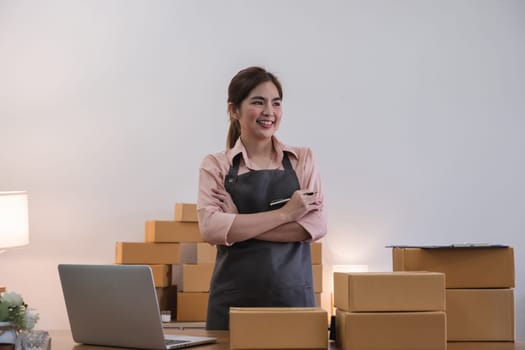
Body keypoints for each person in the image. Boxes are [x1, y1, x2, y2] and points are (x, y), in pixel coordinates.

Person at [197, 66, 327, 330]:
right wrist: (286, 214)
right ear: (234, 110)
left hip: (293, 301)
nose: (270, 112)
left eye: (276, 103)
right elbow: (211, 229)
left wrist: (237, 225)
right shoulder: (216, 165)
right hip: (233, 303)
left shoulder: (302, 159)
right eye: (258, 102)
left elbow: (315, 226)